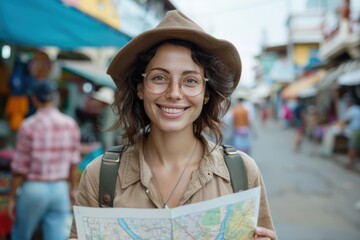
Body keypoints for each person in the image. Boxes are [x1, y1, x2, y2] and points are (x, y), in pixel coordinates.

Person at [69, 10, 276, 240]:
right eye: (159, 78)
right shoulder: (100, 177)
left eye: (190, 81)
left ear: (206, 93)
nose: (174, 93)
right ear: (140, 87)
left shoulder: (243, 173)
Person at [7, 80, 81, 240]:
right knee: (56, 236)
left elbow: (20, 168)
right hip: (60, 189)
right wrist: (73, 189)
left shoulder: (29, 125)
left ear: (34, 99)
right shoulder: (70, 124)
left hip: (34, 189)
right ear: (55, 98)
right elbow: (73, 163)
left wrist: (12, 198)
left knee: (21, 235)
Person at [339, 97, 360, 169]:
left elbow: (344, 120)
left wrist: (341, 126)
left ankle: (350, 162)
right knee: (356, 146)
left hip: (354, 130)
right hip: (358, 130)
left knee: (351, 146)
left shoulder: (350, 110)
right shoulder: (358, 109)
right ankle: (353, 160)